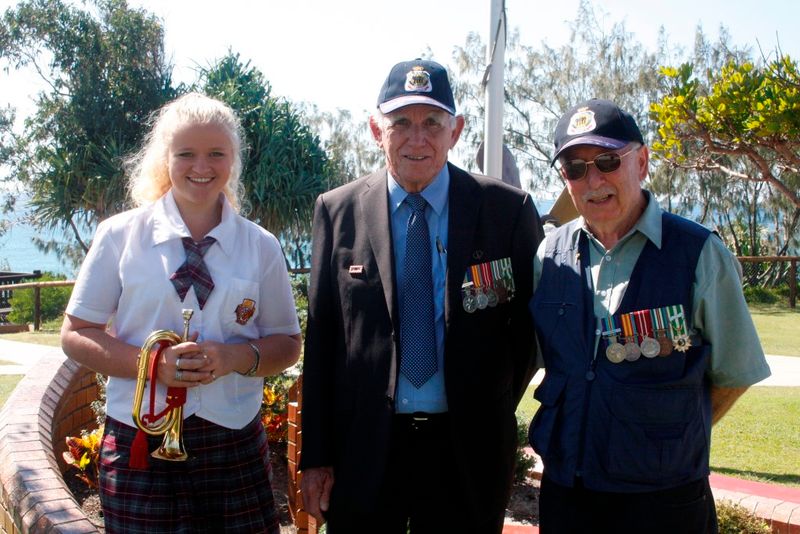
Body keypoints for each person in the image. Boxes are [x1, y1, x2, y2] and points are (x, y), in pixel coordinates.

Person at [300, 58, 543, 533]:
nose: (418, 138)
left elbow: (528, 336)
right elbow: (323, 343)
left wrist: (486, 401)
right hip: (364, 451)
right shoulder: (336, 210)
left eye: (432, 122)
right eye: (401, 123)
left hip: (467, 454)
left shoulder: (507, 212)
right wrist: (317, 457)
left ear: (456, 130)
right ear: (376, 129)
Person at [60, 92, 302, 534]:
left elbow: (287, 343)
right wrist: (152, 364)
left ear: (234, 161)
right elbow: (76, 333)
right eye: (185, 153)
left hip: (233, 445)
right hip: (140, 442)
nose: (202, 166)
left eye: (216, 154)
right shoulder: (119, 236)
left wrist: (233, 359)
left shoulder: (261, 246)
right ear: (164, 160)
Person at [528, 98, 772, 533]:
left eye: (607, 160)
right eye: (575, 168)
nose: (593, 179)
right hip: (568, 495)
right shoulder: (551, 255)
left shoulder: (698, 253)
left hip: (664, 503)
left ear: (641, 161)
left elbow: (735, 372)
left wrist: (665, 431)